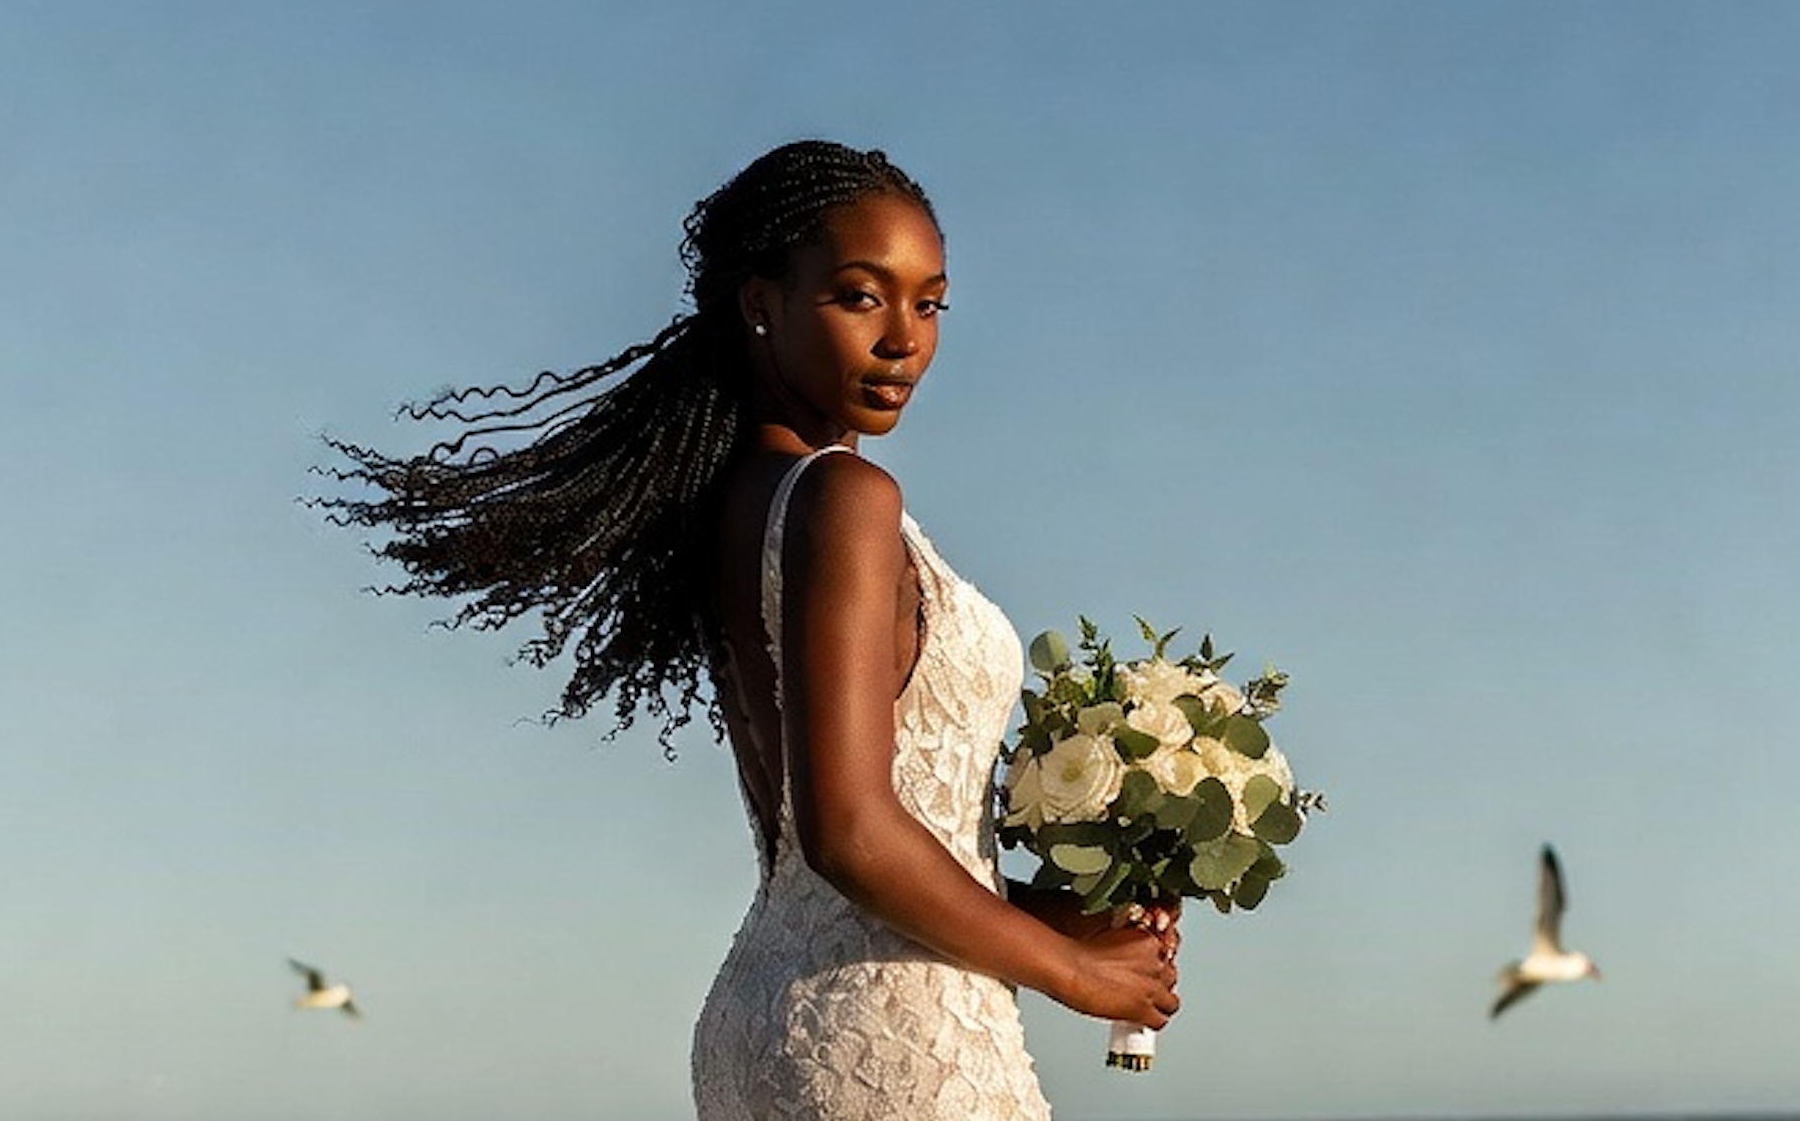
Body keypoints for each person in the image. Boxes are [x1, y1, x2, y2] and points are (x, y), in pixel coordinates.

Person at [318, 140, 1180, 1120]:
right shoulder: (843, 499)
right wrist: (1073, 974)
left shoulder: (739, 505)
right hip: (893, 1032)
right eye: (860, 296)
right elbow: (849, 831)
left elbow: (853, 837)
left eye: (928, 303)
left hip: (768, 1020)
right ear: (759, 301)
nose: (902, 337)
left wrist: (1065, 913)